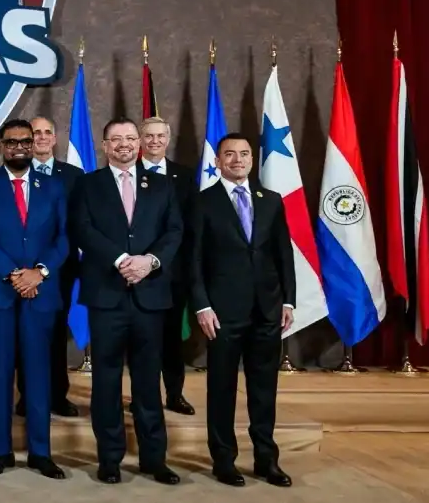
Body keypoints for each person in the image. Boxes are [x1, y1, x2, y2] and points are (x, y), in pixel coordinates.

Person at [69, 116, 182, 485]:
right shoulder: (88, 184)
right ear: (105, 146)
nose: (124, 145)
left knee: (148, 382)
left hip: (150, 296)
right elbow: (82, 229)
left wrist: (150, 262)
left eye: (131, 138)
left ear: (140, 143)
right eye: (116, 139)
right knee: (106, 382)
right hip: (107, 296)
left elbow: (174, 231)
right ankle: (110, 459)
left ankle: (154, 459)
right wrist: (120, 260)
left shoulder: (162, 185)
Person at [190, 133, 295, 488]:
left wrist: (288, 300)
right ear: (217, 161)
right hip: (222, 313)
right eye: (230, 154)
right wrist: (202, 305)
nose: (238, 160)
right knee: (222, 389)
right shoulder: (203, 202)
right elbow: (194, 260)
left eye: (244, 154)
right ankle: (224, 460)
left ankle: (267, 460)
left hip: (267, 310)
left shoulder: (271, 201)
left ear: (252, 159)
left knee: (264, 391)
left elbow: (283, 254)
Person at [0, 120, 68, 479]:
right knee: (0, 375)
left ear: (34, 144)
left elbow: (63, 238)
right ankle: (0, 451)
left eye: (26, 141)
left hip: (39, 293)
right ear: (1, 146)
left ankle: (41, 452)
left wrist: (39, 272)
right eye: (12, 142)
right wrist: (13, 274)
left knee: (39, 375)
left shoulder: (53, 186)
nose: (20, 147)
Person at [139, 116, 198, 415]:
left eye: (160, 136)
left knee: (172, 338)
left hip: (173, 273)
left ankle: (174, 394)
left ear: (168, 139)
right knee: (141, 341)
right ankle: (142, 397)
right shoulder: (128, 173)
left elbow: (190, 227)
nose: (155, 141)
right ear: (140, 140)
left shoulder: (185, 177)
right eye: (149, 136)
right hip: (136, 272)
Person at [22, 116, 80, 417]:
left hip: (61, 268)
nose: (42, 137)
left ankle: (58, 395)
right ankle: (26, 396)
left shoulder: (74, 176)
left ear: (55, 138)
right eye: (36, 133)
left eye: (47, 132)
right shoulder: (17, 171)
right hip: (23, 270)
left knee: (56, 333)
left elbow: (78, 224)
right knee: (25, 334)